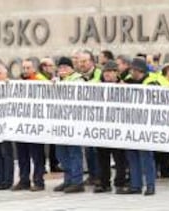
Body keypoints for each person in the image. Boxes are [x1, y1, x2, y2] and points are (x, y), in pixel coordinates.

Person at [116, 58, 158, 196]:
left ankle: (150, 185)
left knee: (146, 155)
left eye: (132, 70)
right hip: (130, 124)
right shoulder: (128, 81)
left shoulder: (151, 82)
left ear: (139, 70)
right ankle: (136, 185)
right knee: (132, 155)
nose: (130, 72)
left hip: (145, 124)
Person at [11, 58, 47, 192]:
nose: (25, 70)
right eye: (24, 68)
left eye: (28, 68)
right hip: (21, 125)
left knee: (37, 155)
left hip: (35, 125)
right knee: (22, 154)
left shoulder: (40, 81)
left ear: (34, 69)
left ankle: (39, 181)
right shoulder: (19, 82)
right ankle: (24, 180)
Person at [93, 60, 128, 194]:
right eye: (105, 71)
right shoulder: (97, 86)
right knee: (102, 156)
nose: (107, 74)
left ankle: (120, 182)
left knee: (119, 157)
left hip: (118, 127)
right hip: (102, 127)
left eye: (110, 71)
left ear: (116, 73)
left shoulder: (124, 86)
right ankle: (104, 182)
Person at [53, 56, 85, 193]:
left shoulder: (78, 79)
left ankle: (77, 181)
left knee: (74, 152)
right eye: (60, 67)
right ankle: (68, 179)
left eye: (65, 67)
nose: (62, 70)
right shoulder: (58, 80)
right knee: (61, 153)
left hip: (73, 122)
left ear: (71, 68)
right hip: (60, 122)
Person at [77, 50, 101, 185]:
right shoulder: (78, 77)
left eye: (85, 61)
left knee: (97, 150)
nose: (82, 64)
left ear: (91, 61)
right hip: (85, 119)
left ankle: (99, 175)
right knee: (89, 150)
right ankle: (92, 175)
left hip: (98, 118)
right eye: (80, 61)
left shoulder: (99, 74)